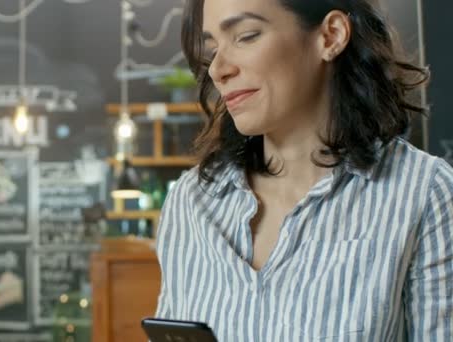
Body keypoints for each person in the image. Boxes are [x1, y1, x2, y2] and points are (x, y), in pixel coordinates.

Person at [154, 0, 452, 341]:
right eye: (211, 50)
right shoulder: (190, 202)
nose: (218, 69)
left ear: (330, 36)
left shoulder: (425, 194)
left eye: (246, 36)